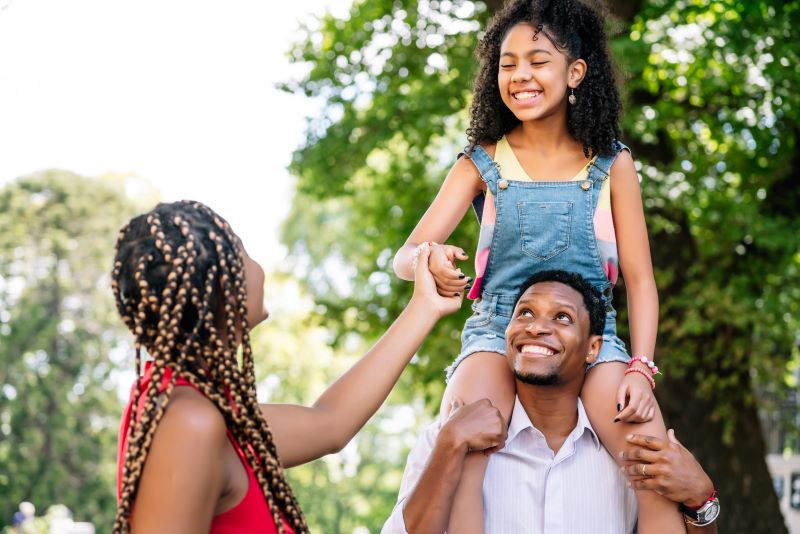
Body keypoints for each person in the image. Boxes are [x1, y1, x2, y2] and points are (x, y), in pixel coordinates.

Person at [392, 0, 680, 530]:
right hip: (497, 329)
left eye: (537, 60)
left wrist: (641, 368)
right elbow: (404, 256)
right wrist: (428, 259)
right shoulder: (481, 160)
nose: (520, 74)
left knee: (647, 450)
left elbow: (639, 280)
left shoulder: (613, 164)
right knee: (470, 439)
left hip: (593, 334)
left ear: (574, 73)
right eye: (508, 63)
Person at [111, 201, 460, 533]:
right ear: (223, 284)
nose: (256, 264)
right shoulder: (188, 423)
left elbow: (330, 423)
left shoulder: (203, 409)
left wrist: (424, 306)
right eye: (243, 252)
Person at [382, 270, 720, 533]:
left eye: (562, 318)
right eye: (525, 313)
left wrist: (700, 501)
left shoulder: (630, 457)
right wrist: (450, 445)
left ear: (592, 348)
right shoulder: (448, 438)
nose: (536, 328)